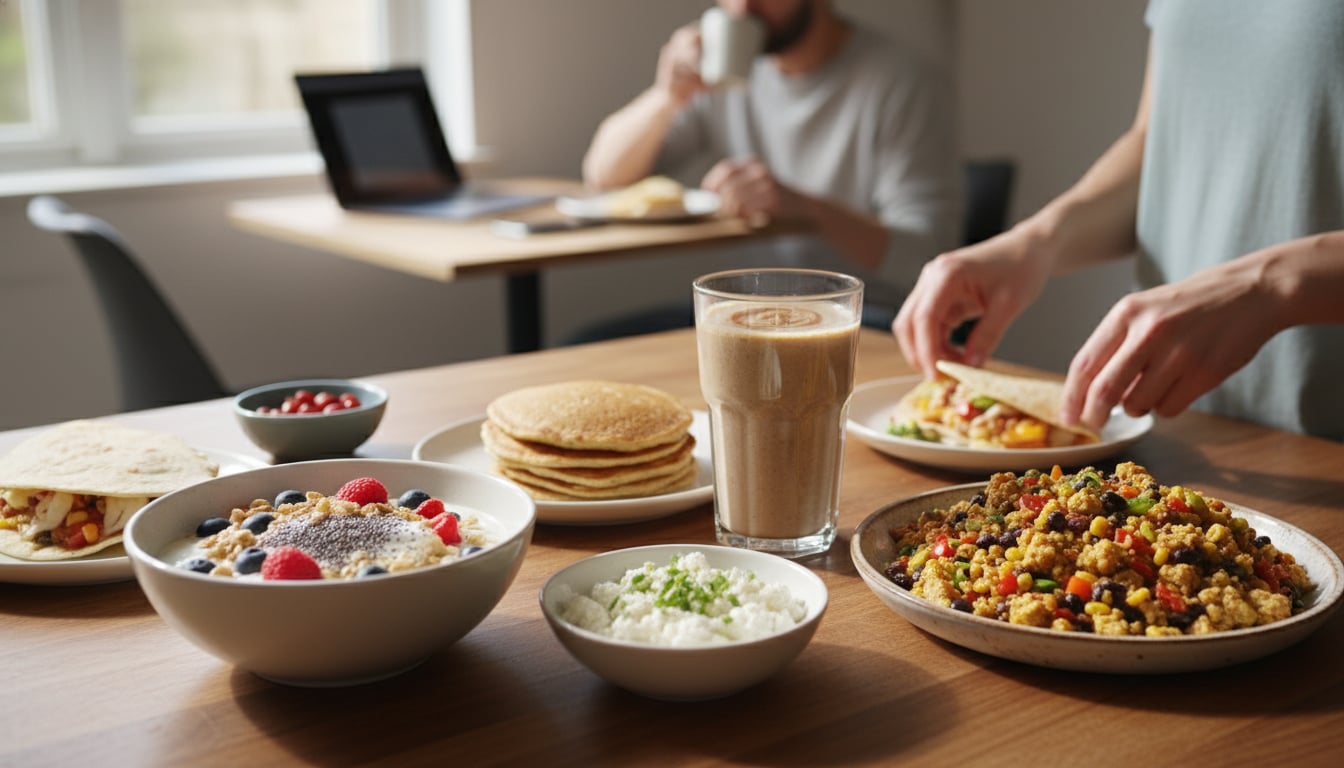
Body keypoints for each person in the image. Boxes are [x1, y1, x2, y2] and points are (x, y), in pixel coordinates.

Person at [894, 0, 1344, 440]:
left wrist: (1269, 284)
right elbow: (1158, 145)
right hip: (1184, 433)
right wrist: (1036, 242)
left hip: (1324, 441)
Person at [581, 0, 960, 322]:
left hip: (862, 316)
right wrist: (667, 95)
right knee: (587, 351)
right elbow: (604, 176)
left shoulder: (902, 82)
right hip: (751, 307)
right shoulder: (727, 69)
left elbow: (923, 257)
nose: (743, 7)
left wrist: (804, 208)